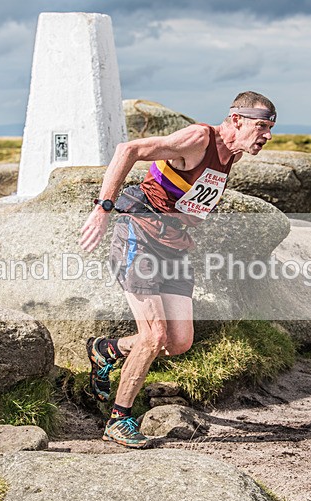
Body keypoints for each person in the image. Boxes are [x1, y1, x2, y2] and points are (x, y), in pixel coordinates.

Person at [78, 91, 276, 448]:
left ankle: (107, 350)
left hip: (173, 245)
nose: (267, 135)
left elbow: (190, 196)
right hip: (139, 231)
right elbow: (128, 150)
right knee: (154, 336)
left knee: (178, 342)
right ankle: (118, 421)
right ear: (235, 120)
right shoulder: (199, 139)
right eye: (260, 126)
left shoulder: (231, 155)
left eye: (271, 128)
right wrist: (103, 208)